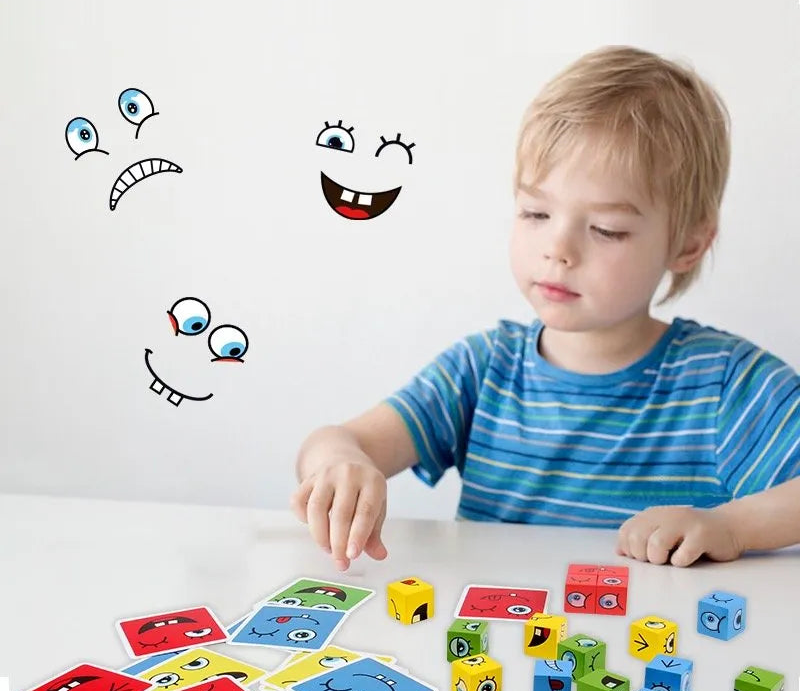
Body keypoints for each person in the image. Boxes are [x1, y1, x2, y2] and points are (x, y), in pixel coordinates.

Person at [291, 45, 800, 572]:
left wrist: (732, 526)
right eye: (535, 212)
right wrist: (341, 462)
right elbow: (333, 441)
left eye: (607, 229)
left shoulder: (723, 383)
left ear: (688, 245)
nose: (559, 249)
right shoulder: (485, 368)